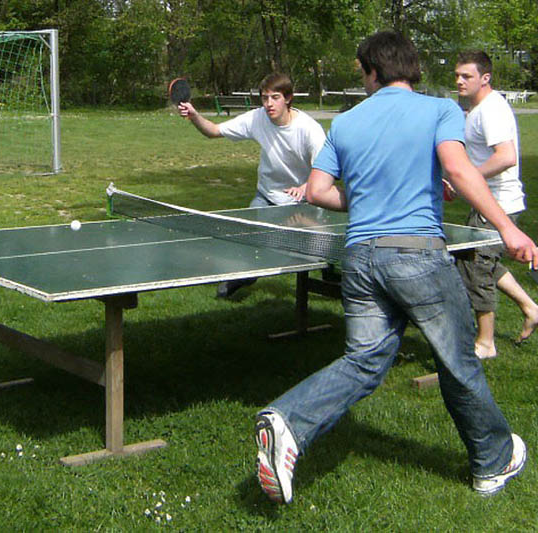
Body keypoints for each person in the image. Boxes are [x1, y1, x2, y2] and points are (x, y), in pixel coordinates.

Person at [254, 31, 535, 505]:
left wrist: (367, 198)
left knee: (364, 361)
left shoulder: (345, 123)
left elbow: (319, 190)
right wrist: (508, 228)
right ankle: (492, 462)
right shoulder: (440, 110)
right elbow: (460, 169)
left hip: (360, 259)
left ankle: (288, 420)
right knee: (458, 361)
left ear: (372, 71)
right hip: (416, 254)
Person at [177, 73, 326, 298]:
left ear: (288, 98)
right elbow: (214, 131)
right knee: (250, 240)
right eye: (265, 98)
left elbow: (325, 170)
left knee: (317, 253)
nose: (269, 104)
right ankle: (245, 275)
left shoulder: (309, 129)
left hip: (302, 201)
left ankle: (331, 276)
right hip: (267, 195)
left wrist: (306, 187)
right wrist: (195, 115)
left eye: (275, 97)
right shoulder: (257, 118)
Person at [453, 50, 538, 358]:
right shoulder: (477, 109)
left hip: (499, 203)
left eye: (467, 76)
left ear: (485, 78)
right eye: (458, 75)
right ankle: (530, 308)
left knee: (476, 267)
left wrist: (466, 178)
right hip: (486, 202)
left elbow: (506, 157)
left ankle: (486, 343)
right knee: (479, 262)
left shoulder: (491, 110)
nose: (460, 81)